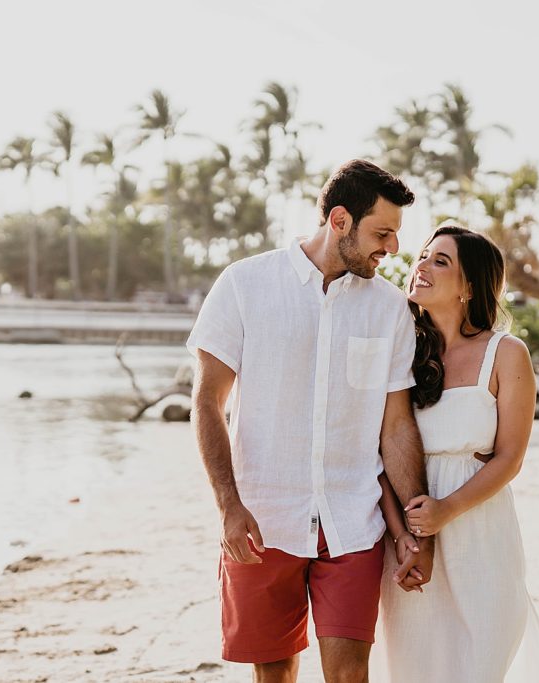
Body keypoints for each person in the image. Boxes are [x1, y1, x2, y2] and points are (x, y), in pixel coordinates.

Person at [188, 159, 433, 683]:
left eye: (395, 235)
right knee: (273, 674)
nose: (392, 249)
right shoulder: (245, 284)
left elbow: (396, 426)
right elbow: (207, 402)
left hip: (353, 521)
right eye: (382, 233)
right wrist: (229, 506)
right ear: (339, 220)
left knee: (349, 675)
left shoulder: (390, 309)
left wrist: (417, 533)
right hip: (264, 519)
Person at [370, 225, 539, 682]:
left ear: (470, 286)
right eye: (423, 256)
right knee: (415, 662)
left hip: (480, 532)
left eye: (441, 261)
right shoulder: (400, 352)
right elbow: (375, 454)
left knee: (482, 659)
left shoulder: (505, 353)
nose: (422, 266)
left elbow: (510, 458)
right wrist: (405, 534)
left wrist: (446, 510)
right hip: (407, 537)